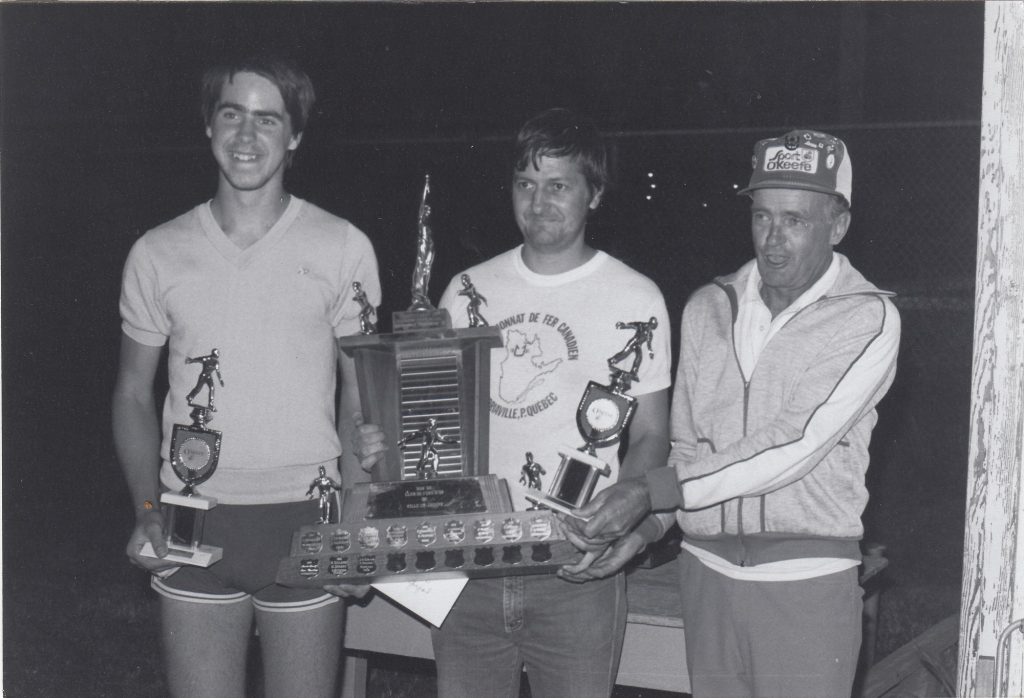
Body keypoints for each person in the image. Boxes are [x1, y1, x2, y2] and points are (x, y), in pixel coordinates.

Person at [563, 129, 902, 698]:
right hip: (707, 575)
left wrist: (649, 492)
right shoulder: (707, 307)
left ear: (837, 226)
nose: (773, 240)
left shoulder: (867, 319)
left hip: (807, 581)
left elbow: (794, 444)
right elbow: (691, 451)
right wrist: (647, 529)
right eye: (762, 217)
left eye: (795, 220)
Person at [351, 107, 671, 698]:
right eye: (526, 184)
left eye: (558, 185)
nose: (539, 201)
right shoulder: (468, 289)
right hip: (470, 566)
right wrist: (386, 446)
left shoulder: (637, 296)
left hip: (575, 567)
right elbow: (432, 421)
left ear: (594, 194)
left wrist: (626, 512)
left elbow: (652, 433)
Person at [113, 54, 380, 698]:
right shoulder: (157, 251)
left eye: (268, 119)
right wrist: (147, 506)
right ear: (209, 127)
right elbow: (131, 392)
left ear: (294, 137)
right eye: (232, 114)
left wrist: (355, 518)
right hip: (194, 521)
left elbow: (362, 397)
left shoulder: (344, 246)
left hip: (306, 518)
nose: (247, 136)